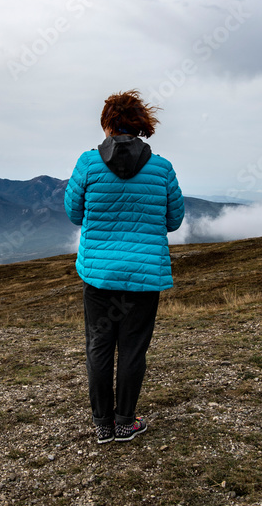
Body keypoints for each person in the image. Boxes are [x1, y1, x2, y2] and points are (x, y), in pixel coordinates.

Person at [64, 89, 185, 445]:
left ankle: (102, 426)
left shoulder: (88, 164)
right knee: (133, 348)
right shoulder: (162, 168)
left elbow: (74, 213)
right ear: (141, 124)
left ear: (107, 123)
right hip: (143, 279)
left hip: (99, 277)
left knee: (100, 346)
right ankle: (125, 422)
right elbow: (174, 220)